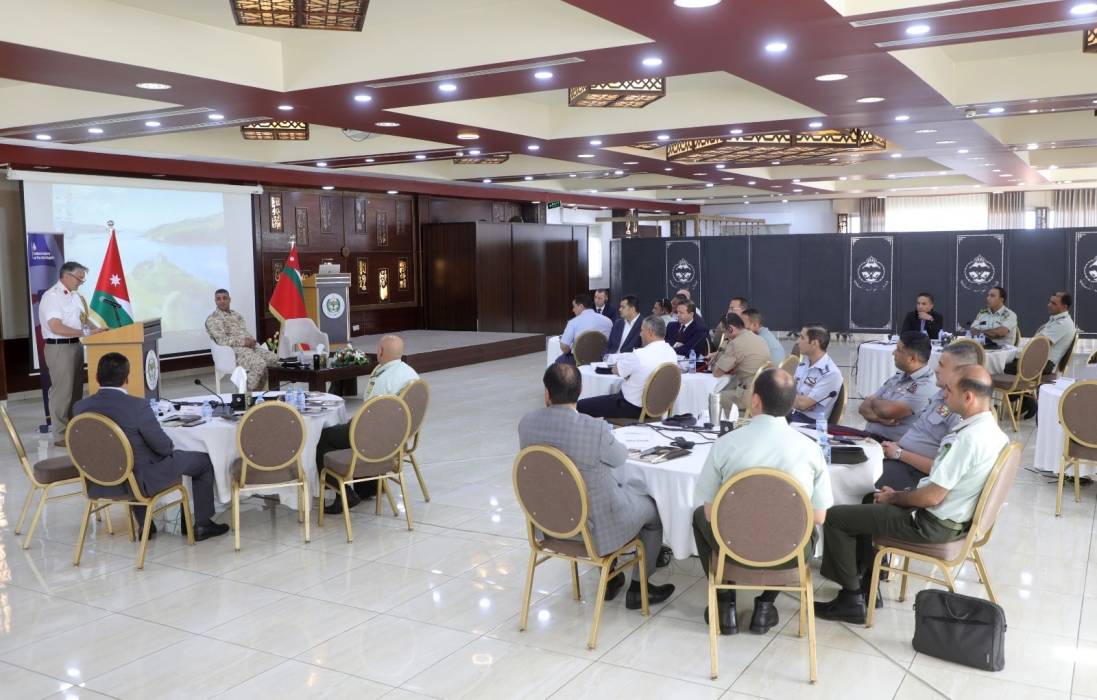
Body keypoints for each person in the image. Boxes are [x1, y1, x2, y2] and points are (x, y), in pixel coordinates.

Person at [814, 365, 1008, 623]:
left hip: (932, 523)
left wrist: (895, 497)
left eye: (949, 390)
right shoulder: (994, 432)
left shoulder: (966, 439)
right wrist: (899, 494)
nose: (944, 394)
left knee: (836, 517)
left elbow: (932, 497)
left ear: (968, 397)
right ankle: (866, 585)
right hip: (955, 518)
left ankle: (850, 599)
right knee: (868, 498)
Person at [519, 364, 675, 609]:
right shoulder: (593, 429)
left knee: (602, 492)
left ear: (547, 393)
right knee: (652, 509)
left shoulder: (526, 424)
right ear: (580, 390)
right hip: (594, 530)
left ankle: (611, 579)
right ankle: (639, 588)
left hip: (548, 525)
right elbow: (620, 458)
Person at [693, 368, 832, 635]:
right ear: (791, 404)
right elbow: (819, 517)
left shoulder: (726, 444)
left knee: (699, 515)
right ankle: (766, 606)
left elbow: (710, 514)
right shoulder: (811, 448)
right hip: (789, 555)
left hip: (734, 548)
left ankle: (724, 604)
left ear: (755, 401)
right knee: (801, 528)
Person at [73, 353, 228, 540]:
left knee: (127, 460)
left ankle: (145, 525)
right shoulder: (137, 406)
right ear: (127, 378)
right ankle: (202, 524)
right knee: (202, 462)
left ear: (97, 377)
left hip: (98, 482)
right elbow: (164, 448)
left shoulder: (80, 407)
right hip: (139, 482)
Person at [317, 335, 419, 514]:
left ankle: (342, 493)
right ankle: (368, 486)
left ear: (380, 351)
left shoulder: (383, 378)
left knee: (324, 437)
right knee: (347, 428)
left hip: (375, 437)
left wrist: (353, 423)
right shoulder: (411, 373)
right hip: (399, 436)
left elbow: (371, 414)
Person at [876, 342, 979, 491]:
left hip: (916, 473)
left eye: (941, 366)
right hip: (900, 458)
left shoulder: (960, 411)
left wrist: (899, 453)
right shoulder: (940, 395)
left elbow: (942, 470)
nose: (936, 369)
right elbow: (921, 434)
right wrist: (896, 446)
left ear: (959, 373)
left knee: (860, 481)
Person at [39, 261, 106, 447]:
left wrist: (100, 331)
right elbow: (56, 327)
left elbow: (84, 321)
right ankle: (60, 435)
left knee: (76, 391)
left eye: (83, 279)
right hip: (59, 348)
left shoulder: (76, 296)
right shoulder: (52, 297)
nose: (81, 282)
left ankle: (73, 429)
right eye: (79, 278)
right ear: (66, 276)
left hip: (76, 346)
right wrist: (86, 333)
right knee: (63, 392)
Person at [577, 316, 677, 419]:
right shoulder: (672, 353)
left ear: (650, 331)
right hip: (658, 410)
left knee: (580, 405)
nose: (640, 334)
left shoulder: (640, 355)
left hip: (630, 408)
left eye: (642, 330)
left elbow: (616, 370)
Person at [1004, 291, 1076, 419]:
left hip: (1043, 364)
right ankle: (1025, 399)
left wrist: (1020, 353)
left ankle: (1027, 399)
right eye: (1050, 302)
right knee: (1006, 364)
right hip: (1039, 361)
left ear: (1064, 307)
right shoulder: (1056, 320)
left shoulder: (1063, 324)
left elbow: (1039, 345)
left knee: (1002, 368)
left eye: (1053, 303)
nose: (1049, 305)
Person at [855, 332, 937, 442]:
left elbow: (887, 411)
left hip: (890, 444)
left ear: (912, 358)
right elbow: (863, 408)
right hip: (870, 437)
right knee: (833, 433)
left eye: (898, 350)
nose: (894, 353)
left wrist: (873, 402)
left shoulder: (926, 385)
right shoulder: (899, 376)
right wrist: (879, 419)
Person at [205, 289, 278, 392]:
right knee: (259, 364)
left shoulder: (236, 315)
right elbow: (222, 340)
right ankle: (247, 394)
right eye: (218, 299)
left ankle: (264, 393)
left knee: (274, 359)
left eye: (225, 298)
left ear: (229, 299)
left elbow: (244, 332)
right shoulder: (213, 319)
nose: (222, 301)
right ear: (215, 301)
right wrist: (243, 342)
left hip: (250, 348)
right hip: (233, 352)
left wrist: (252, 341)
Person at [709, 313, 771, 415]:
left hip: (748, 394)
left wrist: (723, 349)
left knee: (715, 398)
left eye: (724, 332)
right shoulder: (759, 338)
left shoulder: (735, 343)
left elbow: (717, 373)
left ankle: (726, 424)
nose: (725, 336)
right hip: (763, 390)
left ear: (730, 329)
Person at [788, 326, 843, 424]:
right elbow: (790, 389)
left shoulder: (831, 373)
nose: (797, 341)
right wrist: (799, 401)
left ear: (814, 343)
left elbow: (802, 404)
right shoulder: (805, 361)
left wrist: (786, 399)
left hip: (810, 423)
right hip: (793, 413)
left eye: (802, 338)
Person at [556, 293, 613, 365]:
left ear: (581, 306)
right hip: (602, 359)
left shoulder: (573, 322)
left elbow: (564, 348)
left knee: (559, 361)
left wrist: (573, 346)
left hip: (579, 361)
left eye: (574, 307)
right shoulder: (608, 321)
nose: (573, 310)